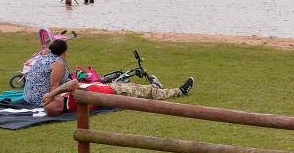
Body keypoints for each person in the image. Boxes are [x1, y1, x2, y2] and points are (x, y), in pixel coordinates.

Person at [41, 76, 195, 117]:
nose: (55, 97)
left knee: (139, 87)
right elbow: (73, 83)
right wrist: (51, 94)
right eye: (54, 100)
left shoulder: (69, 99)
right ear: (59, 105)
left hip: (111, 88)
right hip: (115, 92)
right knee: (150, 94)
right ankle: (179, 91)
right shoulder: (76, 101)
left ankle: (155, 86)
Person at [23, 38, 70, 106]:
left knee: (72, 84)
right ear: (64, 52)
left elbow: (54, 77)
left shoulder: (44, 57)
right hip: (41, 100)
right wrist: (58, 104)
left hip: (28, 97)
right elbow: (54, 86)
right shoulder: (58, 64)